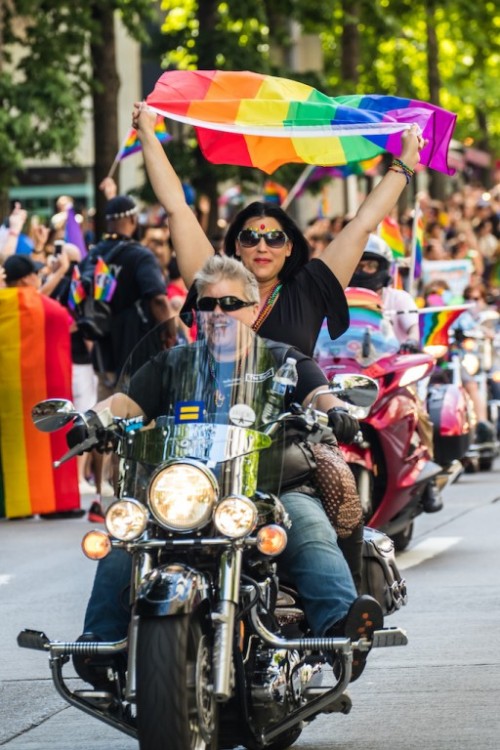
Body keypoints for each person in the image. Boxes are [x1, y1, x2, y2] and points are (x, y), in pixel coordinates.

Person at [73, 256, 382, 690]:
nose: (218, 313)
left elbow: (320, 394)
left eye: (231, 303)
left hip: (272, 488)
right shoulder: (172, 363)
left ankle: (341, 630)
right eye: (208, 303)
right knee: (126, 536)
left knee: (310, 531)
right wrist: (91, 419)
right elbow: (124, 404)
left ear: (254, 309)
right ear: (196, 311)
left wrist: (336, 412)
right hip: (186, 495)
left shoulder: (283, 361)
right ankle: (100, 644)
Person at [133, 102, 425, 359]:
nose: (262, 247)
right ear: (236, 245)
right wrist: (147, 133)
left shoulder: (311, 287)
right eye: (250, 238)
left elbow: (363, 223)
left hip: (293, 420)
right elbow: (176, 207)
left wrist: (405, 163)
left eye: (274, 238)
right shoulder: (214, 280)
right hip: (215, 416)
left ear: (289, 247)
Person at [77, 194, 172, 521]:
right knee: (133, 422)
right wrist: (171, 334)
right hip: (138, 353)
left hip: (104, 356)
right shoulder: (139, 256)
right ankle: (125, 495)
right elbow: (158, 299)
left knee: (103, 423)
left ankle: (99, 499)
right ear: (132, 220)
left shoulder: (93, 256)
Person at [349, 234, 443, 513]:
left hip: (392, 373)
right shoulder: (340, 298)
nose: (364, 271)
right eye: (358, 264)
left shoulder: (398, 298)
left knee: (420, 412)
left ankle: (429, 482)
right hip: (350, 374)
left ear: (383, 269)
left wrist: (412, 342)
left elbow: (413, 331)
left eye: (370, 265)